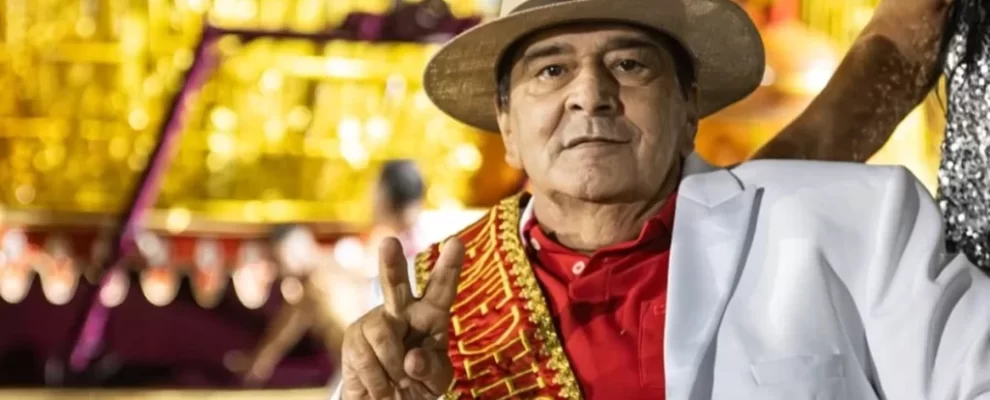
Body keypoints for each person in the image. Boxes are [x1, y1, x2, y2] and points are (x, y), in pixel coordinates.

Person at [332, 0, 990, 399]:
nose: (590, 96)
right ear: (506, 125)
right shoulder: (439, 304)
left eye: (629, 64)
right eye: (552, 70)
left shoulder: (854, 224)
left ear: (688, 108)